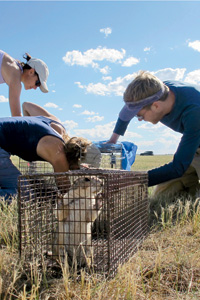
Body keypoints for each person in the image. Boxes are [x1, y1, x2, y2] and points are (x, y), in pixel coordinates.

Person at [108, 71, 200, 197]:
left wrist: (130, 181)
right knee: (162, 196)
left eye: (139, 116)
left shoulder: (194, 112)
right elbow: (126, 114)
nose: (139, 119)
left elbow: (178, 168)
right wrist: (113, 140)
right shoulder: (157, 91)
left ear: (156, 106)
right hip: (195, 143)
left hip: (196, 136)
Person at [0, 114, 101, 199]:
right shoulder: (58, 152)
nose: (77, 172)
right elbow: (65, 190)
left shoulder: (56, 126)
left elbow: (27, 105)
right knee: (24, 193)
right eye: (78, 169)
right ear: (76, 160)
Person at [0, 49, 49, 116]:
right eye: (37, 83)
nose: (35, 88)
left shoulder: (13, 67)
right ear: (31, 72)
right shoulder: (15, 75)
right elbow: (16, 117)